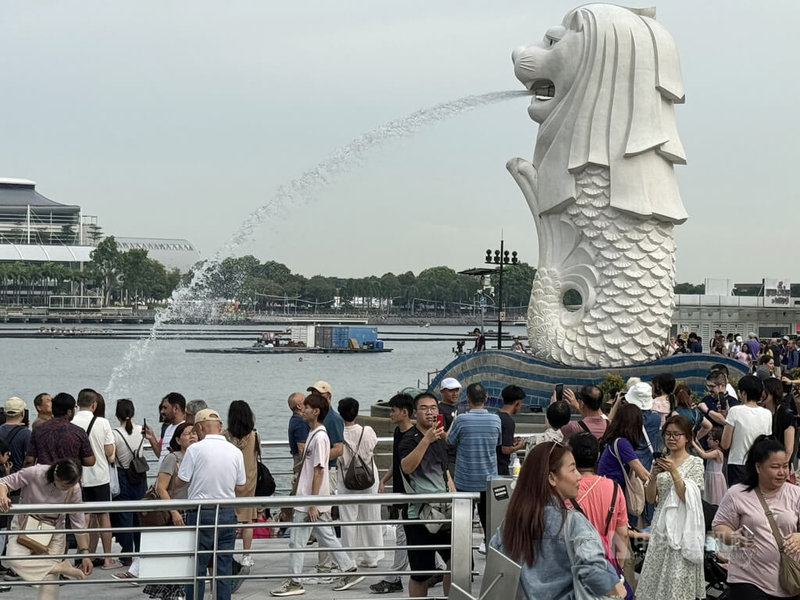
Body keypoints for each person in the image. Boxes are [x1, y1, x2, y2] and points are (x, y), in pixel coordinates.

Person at [490, 441, 626, 599]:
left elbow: (495, 564)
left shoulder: (512, 521)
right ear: (552, 478)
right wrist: (615, 588)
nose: (578, 476)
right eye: (573, 469)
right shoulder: (573, 522)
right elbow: (592, 568)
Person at [270, 393, 364, 597]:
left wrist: (312, 502)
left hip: (309, 500)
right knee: (327, 536)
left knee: (297, 540)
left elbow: (320, 470)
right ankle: (348, 569)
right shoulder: (315, 433)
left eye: (306, 407)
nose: (302, 410)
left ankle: (295, 580)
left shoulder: (320, 436)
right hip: (310, 498)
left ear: (316, 411)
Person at [713, 436, 800, 600]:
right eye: (775, 467)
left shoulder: (796, 493)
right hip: (747, 578)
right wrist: (733, 537)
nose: (782, 472)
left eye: (785, 466)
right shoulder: (737, 493)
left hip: (788, 580)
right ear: (758, 467)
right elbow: (719, 528)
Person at [176, 408, 246, 600]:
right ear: (220, 426)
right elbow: (241, 485)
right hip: (226, 512)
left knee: (197, 566)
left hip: (200, 512)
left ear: (199, 428)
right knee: (223, 566)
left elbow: (182, 479)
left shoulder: (194, 450)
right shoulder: (235, 451)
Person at [0, 459, 94, 600]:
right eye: (64, 485)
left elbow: (78, 522)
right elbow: (4, 482)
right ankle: (60, 567)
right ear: (56, 477)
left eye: (71, 485)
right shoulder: (34, 473)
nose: (67, 489)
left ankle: (55, 568)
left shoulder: (74, 488)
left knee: (49, 583)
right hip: (24, 526)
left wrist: (85, 554)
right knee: (14, 559)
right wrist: (2, 495)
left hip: (54, 532)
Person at [637, 415, 705, 600]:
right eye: (668, 434)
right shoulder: (659, 461)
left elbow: (688, 498)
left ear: (687, 437)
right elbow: (651, 499)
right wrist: (653, 475)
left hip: (683, 523)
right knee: (656, 570)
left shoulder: (696, 463)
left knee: (678, 570)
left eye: (677, 434)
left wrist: (674, 472)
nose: (671, 438)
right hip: (661, 522)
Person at [399, 393, 455, 598]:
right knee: (421, 573)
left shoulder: (439, 437)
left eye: (433, 408)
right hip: (419, 514)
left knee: (457, 563)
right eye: (424, 408)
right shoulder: (409, 438)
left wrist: (455, 496)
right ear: (415, 412)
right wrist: (426, 440)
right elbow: (406, 467)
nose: (430, 412)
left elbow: (445, 472)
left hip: (444, 511)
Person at [133, 422, 198, 595]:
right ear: (178, 439)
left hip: (192, 510)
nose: (192, 436)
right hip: (175, 511)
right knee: (174, 555)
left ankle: (180, 591)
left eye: (195, 433)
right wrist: (173, 511)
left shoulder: (198, 455)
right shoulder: (173, 458)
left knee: (187, 556)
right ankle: (172, 592)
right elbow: (161, 487)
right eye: (187, 434)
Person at [568, 433, 630, 588]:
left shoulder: (565, 488)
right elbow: (622, 534)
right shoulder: (614, 488)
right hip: (604, 565)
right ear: (597, 456)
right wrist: (619, 566)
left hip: (571, 565)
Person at [446, 383, 501, 549]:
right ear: (486, 398)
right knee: (489, 524)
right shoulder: (495, 419)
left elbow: (449, 441)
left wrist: (454, 421)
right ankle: (492, 557)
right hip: (488, 480)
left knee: (462, 525)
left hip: (464, 481)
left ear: (467, 399)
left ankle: (464, 563)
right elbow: (497, 443)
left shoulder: (462, 420)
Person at [372, 393, 414, 595]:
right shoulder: (399, 432)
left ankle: (394, 578)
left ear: (404, 412)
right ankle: (438, 570)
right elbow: (397, 462)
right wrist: (384, 479)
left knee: (402, 535)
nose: (390, 413)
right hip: (400, 492)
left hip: (411, 495)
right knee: (410, 534)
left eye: (393, 410)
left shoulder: (415, 436)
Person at [71, 388, 117, 569]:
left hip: (77, 477)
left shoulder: (71, 422)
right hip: (99, 476)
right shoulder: (102, 422)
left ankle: (85, 558)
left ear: (77, 404)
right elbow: (110, 453)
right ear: (94, 404)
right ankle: (107, 559)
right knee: (103, 516)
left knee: (82, 518)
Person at [337, 397, 383, 567]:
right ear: (356, 412)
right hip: (368, 477)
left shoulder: (338, 433)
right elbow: (372, 447)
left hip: (347, 480)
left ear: (340, 413)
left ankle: (349, 559)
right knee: (371, 517)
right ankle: (372, 557)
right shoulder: (368, 431)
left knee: (348, 520)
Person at [305, 381, 344, 578]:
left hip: (326, 471)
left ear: (328, 397)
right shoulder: (314, 421)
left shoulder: (334, 418)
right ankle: (330, 563)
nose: (314, 398)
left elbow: (340, 448)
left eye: (318, 395)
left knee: (323, 517)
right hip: (315, 471)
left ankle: (328, 563)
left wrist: (318, 455)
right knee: (318, 519)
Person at [597, 404, 649, 526]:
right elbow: (642, 473)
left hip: (608, 491)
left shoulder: (615, 440)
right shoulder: (622, 443)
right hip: (612, 494)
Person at [111, 398, 148, 566]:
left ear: (117, 414)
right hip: (140, 474)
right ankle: (141, 550)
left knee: (124, 514)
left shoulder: (115, 433)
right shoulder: (142, 430)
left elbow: (111, 457)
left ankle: (127, 552)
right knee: (140, 514)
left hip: (122, 474)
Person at [223, 400, 258, 568]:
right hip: (249, 481)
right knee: (247, 521)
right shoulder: (254, 435)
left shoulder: (225, 436)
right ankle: (246, 555)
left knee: (226, 520)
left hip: (229, 481)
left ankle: (226, 553)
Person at [722, 375, 772, 487]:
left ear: (743, 393)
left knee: (738, 499)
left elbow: (725, 444)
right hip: (759, 463)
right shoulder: (767, 414)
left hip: (737, 462)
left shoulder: (734, 411)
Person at [24, 392, 95, 467]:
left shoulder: (38, 429)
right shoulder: (78, 432)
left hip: (44, 476)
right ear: (69, 412)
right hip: (69, 475)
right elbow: (89, 461)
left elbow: (29, 460)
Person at [143, 393, 186, 468]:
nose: (162, 412)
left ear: (175, 408)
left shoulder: (185, 430)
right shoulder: (168, 428)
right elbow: (161, 454)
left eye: (165, 408)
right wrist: (151, 437)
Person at [763, 378, 796, 463]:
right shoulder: (761, 411)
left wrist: (781, 466)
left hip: (779, 462)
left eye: (764, 391)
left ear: (773, 393)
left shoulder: (786, 415)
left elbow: (789, 450)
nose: (761, 394)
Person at [691, 428, 727, 505]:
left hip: (714, 478)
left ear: (717, 442)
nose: (707, 440)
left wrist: (693, 443)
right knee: (709, 495)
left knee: (713, 496)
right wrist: (697, 442)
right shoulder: (713, 450)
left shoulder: (717, 452)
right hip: (710, 476)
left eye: (710, 439)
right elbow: (703, 452)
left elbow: (704, 455)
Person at [496, 385, 525, 476]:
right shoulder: (508, 421)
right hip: (501, 467)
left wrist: (511, 440)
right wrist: (520, 446)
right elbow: (505, 449)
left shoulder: (496, 416)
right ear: (517, 403)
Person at [0, 397, 31, 473]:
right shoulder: (26, 433)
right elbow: (29, 460)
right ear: (23, 413)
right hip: (17, 477)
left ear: (4, 412)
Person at [437, 377, 461, 475]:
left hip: (458, 456)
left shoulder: (457, 408)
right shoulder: (439, 409)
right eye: (451, 390)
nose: (455, 393)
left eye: (457, 390)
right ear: (442, 391)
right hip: (447, 457)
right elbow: (439, 432)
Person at [287, 392, 309, 469]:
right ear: (299, 406)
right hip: (302, 462)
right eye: (305, 400)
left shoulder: (294, 420)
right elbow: (302, 448)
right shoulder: (300, 422)